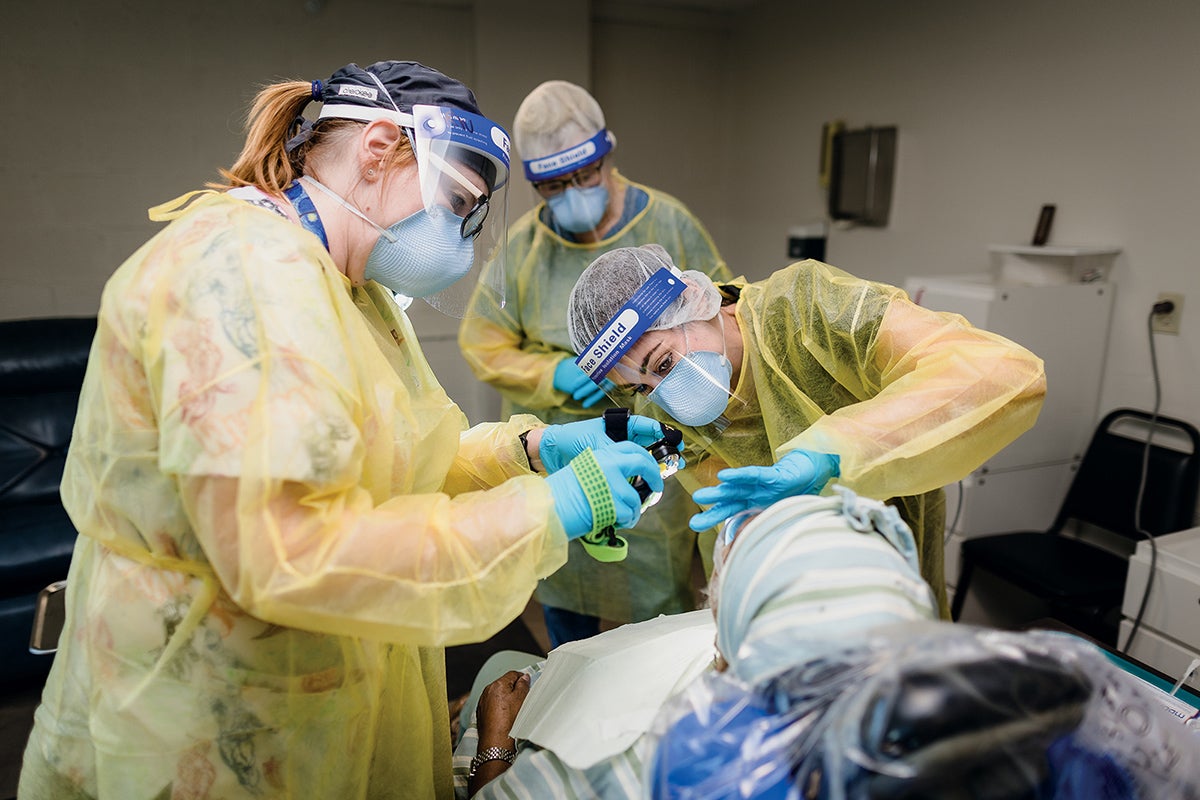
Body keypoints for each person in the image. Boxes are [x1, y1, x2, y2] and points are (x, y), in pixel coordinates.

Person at [17, 60, 672, 800]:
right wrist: (555, 507)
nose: (456, 236)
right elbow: (292, 551)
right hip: (211, 721)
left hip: (320, 693)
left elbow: (386, 457)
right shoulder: (242, 274)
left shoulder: (347, 289)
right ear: (379, 147)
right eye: (456, 200)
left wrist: (525, 451)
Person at [454, 491, 1200, 799]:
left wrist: (493, 745)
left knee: (498, 672)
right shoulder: (1057, 695)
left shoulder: (689, 757)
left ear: (735, 631)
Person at [565, 244, 1049, 614]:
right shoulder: (670, 413)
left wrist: (834, 454)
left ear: (692, 299)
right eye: (640, 386)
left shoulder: (807, 310)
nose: (662, 393)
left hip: (884, 564)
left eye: (664, 362)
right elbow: (734, 513)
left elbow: (1000, 373)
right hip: (782, 591)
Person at [458, 80, 732, 647]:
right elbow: (483, 340)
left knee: (659, 621)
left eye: (583, 176)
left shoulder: (670, 224)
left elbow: (721, 312)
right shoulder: (523, 249)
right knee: (565, 598)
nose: (573, 193)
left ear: (605, 157)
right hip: (559, 450)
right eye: (554, 186)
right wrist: (548, 375)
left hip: (654, 445)